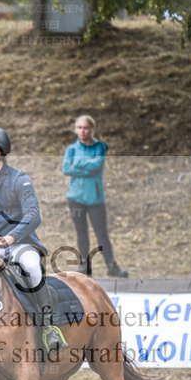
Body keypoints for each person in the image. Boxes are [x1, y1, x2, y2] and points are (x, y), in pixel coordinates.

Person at [0, 126, 63, 349]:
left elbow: (33, 216)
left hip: (20, 244)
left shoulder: (19, 180)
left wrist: (10, 238)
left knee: (31, 266)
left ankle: (49, 328)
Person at [61, 115, 127, 278]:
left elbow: (97, 166)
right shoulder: (71, 149)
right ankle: (84, 265)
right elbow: (66, 169)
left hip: (95, 198)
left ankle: (111, 265)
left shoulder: (100, 147)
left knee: (101, 233)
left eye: (86, 128)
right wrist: (86, 167)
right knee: (81, 232)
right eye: (80, 128)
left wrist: (78, 164)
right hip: (75, 197)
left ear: (92, 129)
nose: (83, 131)